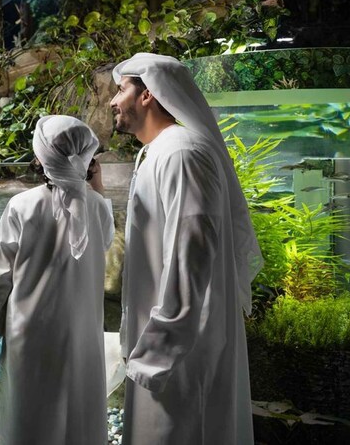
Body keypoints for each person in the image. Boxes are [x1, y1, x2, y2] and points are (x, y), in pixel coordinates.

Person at [110, 53, 263, 445]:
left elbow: (191, 255)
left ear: (147, 95)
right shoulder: (158, 151)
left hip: (180, 352)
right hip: (164, 344)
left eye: (121, 90)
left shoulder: (182, 153)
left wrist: (158, 351)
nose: (112, 101)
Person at [0, 115, 115, 445]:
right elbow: (107, 240)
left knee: (29, 409)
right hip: (82, 329)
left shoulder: (21, 205)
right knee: (77, 404)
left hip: (30, 332)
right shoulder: (97, 206)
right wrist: (96, 186)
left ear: (41, 158)